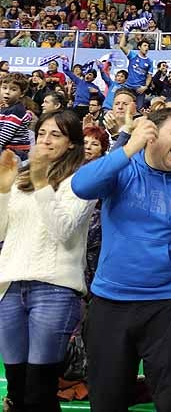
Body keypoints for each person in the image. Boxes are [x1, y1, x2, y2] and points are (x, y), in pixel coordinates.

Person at [71, 107, 171, 412]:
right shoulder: (123, 169)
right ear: (152, 135)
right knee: (106, 400)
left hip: (166, 305)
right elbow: (81, 186)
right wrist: (128, 146)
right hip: (110, 302)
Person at [0, 111, 93, 412]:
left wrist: (41, 182)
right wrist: (3, 190)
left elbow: (62, 231)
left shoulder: (81, 180)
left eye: (55, 134)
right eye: (41, 133)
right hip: (10, 285)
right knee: (16, 388)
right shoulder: (22, 176)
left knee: (39, 391)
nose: (45, 140)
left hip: (54, 289)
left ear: (71, 142)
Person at [117, 35, 154, 107]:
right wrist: (125, 34)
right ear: (139, 47)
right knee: (124, 106)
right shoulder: (133, 55)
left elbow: (149, 76)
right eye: (145, 45)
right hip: (128, 87)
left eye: (148, 46)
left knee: (139, 109)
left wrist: (145, 86)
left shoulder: (150, 61)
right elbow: (121, 46)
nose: (147, 48)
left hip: (140, 89)